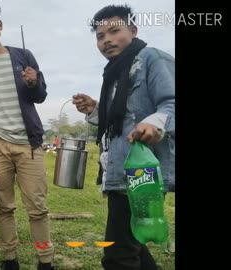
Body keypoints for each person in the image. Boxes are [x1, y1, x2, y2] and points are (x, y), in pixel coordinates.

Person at [73, 4, 175, 270]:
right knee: (134, 246)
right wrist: (95, 109)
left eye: (114, 31)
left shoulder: (151, 58)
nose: (106, 40)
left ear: (133, 30)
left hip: (143, 172)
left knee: (118, 255)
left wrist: (154, 124)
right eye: (100, 36)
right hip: (120, 171)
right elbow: (119, 121)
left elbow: (171, 103)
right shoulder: (115, 72)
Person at [0, 1, 54, 269]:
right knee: (4, 207)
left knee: (37, 207)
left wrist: (33, 82)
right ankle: (9, 259)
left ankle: (45, 261)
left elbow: (40, 96)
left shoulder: (23, 56)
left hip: (29, 144)